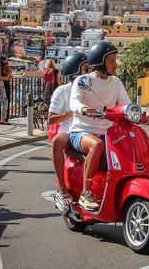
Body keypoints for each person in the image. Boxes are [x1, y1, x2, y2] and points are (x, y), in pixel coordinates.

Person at [69, 41, 130, 211]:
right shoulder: (83, 80)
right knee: (97, 145)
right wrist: (83, 108)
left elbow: (126, 103)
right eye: (111, 61)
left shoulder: (116, 82)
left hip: (109, 133)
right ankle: (85, 193)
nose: (115, 64)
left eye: (115, 60)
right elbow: (74, 100)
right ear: (100, 62)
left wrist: (138, 114)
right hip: (81, 131)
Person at [48, 51, 90, 208]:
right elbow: (51, 119)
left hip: (90, 129)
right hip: (70, 130)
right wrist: (70, 114)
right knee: (57, 142)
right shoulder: (63, 91)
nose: (90, 72)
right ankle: (63, 189)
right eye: (86, 69)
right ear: (75, 71)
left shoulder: (93, 88)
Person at [0, 55, 11, 125]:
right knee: (5, 101)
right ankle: (3, 119)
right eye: (6, 60)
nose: (7, 62)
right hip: (0, 84)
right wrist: (7, 78)